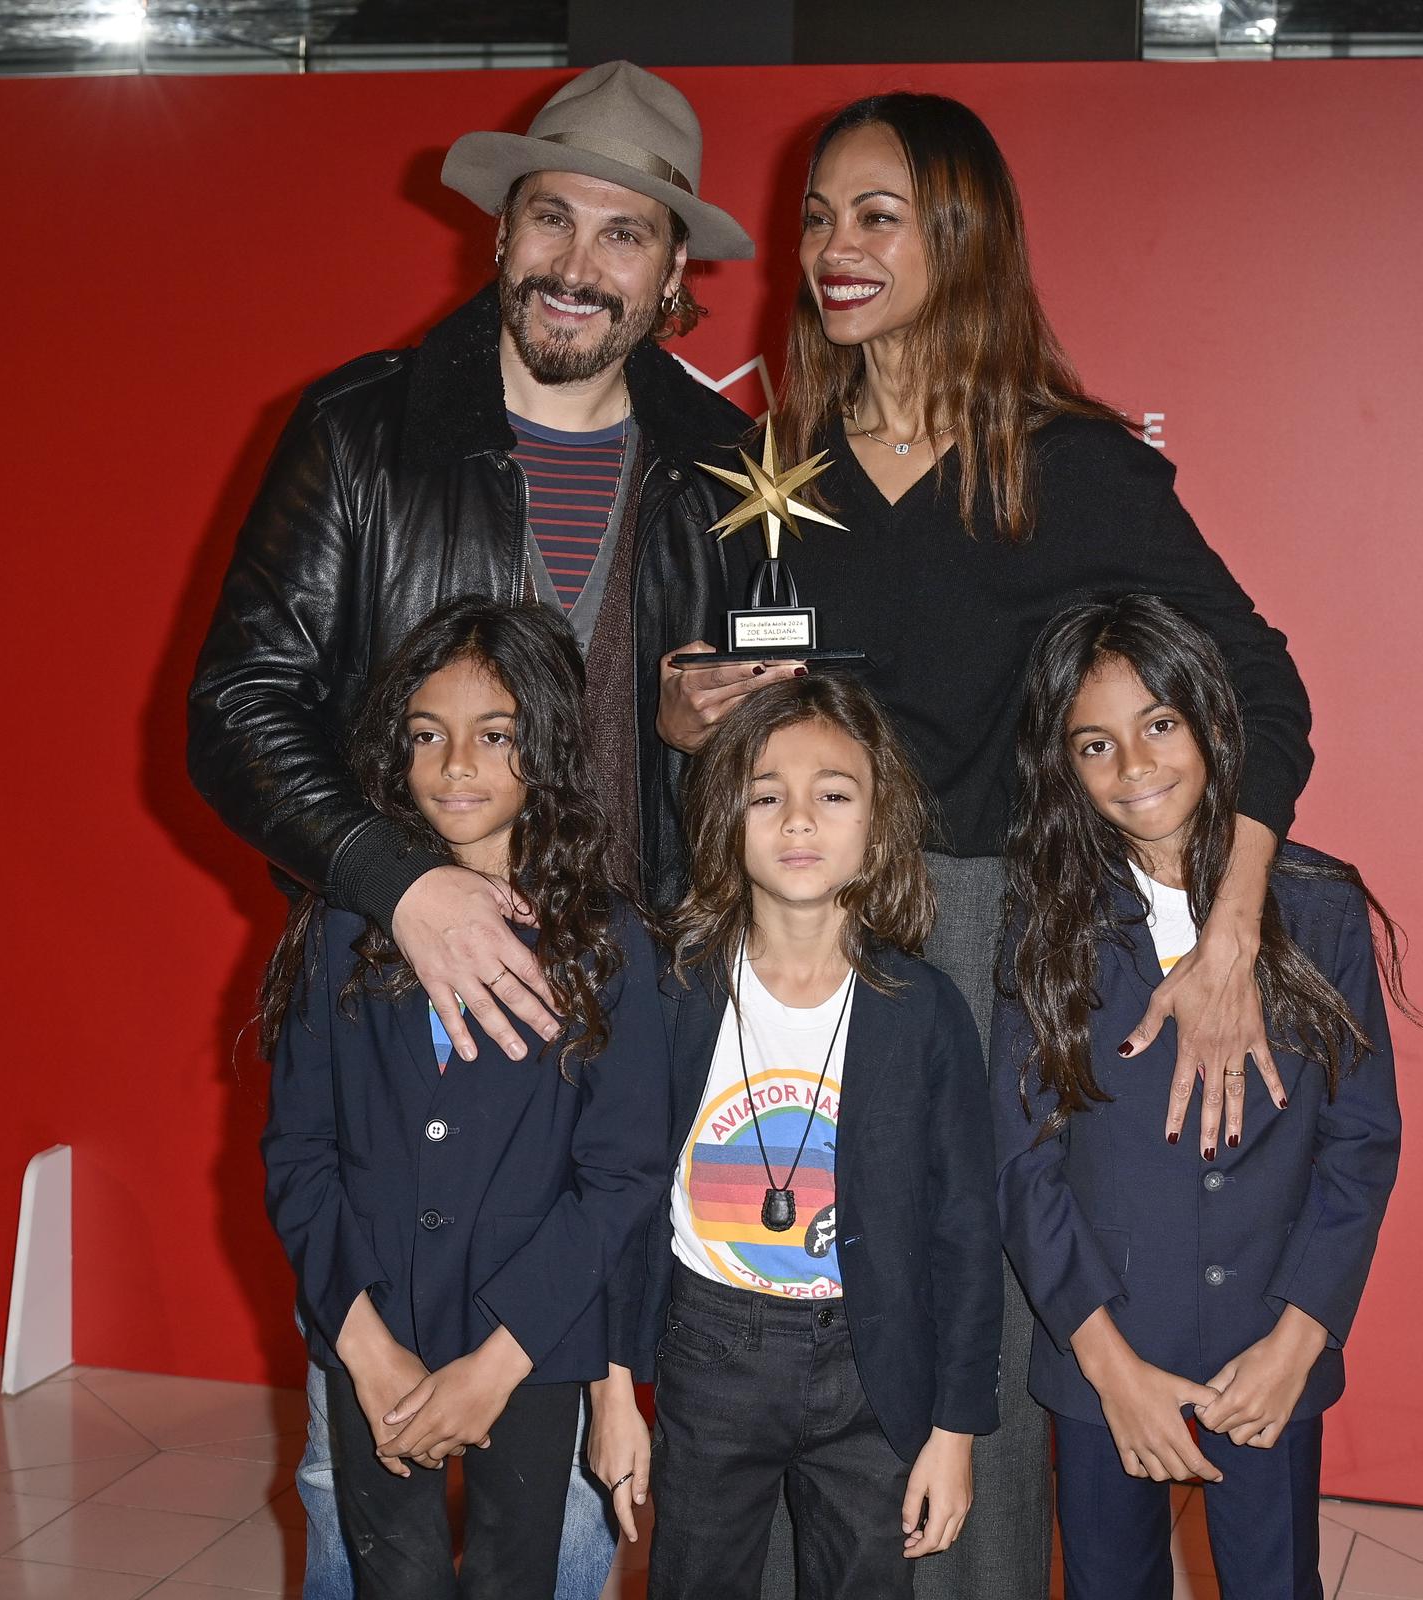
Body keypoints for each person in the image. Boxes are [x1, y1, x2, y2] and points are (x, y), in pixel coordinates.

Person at [656, 91, 1319, 1600]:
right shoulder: (779, 466)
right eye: (819, 215)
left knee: (980, 1315)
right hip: (794, 945)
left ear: (960, 236)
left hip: (988, 947)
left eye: (876, 215)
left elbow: (1261, 689)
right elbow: (737, 712)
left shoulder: (1071, 466)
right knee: (779, 1290)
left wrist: (1226, 934)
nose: (833, 247)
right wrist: (686, 716)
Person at [187, 61, 756, 1598]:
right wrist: (402, 885)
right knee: (358, 1464)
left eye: (624, 235)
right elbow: (236, 708)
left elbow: (744, 755)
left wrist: (703, 742)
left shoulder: (723, 476)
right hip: (391, 1011)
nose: (580, 262)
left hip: (605, 1041)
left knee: (563, 1484)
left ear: (672, 273)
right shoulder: (363, 432)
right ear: (501, 232)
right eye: (551, 217)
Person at [993, 596, 1406, 1600]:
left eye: (1159, 724)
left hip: (1269, 1350)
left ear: (1214, 722)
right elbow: (1021, 1159)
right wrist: (1103, 1360)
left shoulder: (1317, 905)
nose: (1134, 764)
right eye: (1096, 743)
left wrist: (1300, 1337)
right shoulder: (1045, 923)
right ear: (1064, 766)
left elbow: (1360, 1140)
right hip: (1107, 1365)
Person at [259, 598, 672, 1600]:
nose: (455, 767)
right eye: (427, 737)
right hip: (374, 1324)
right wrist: (362, 1345)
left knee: (514, 1577)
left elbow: (621, 1179)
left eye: (495, 737)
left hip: (529, 1338)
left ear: (548, 746)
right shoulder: (340, 929)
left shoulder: (610, 945)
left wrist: (499, 1363)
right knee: (389, 1576)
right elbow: (299, 1155)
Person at [622, 674, 1001, 1600]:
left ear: (879, 821)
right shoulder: (674, 992)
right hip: (708, 1354)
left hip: (872, 1368)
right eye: (765, 794)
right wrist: (611, 1389)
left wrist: (953, 1430)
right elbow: (623, 1199)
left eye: (833, 794)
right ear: (723, 817)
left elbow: (965, 1230)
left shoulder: (925, 1012)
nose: (798, 820)